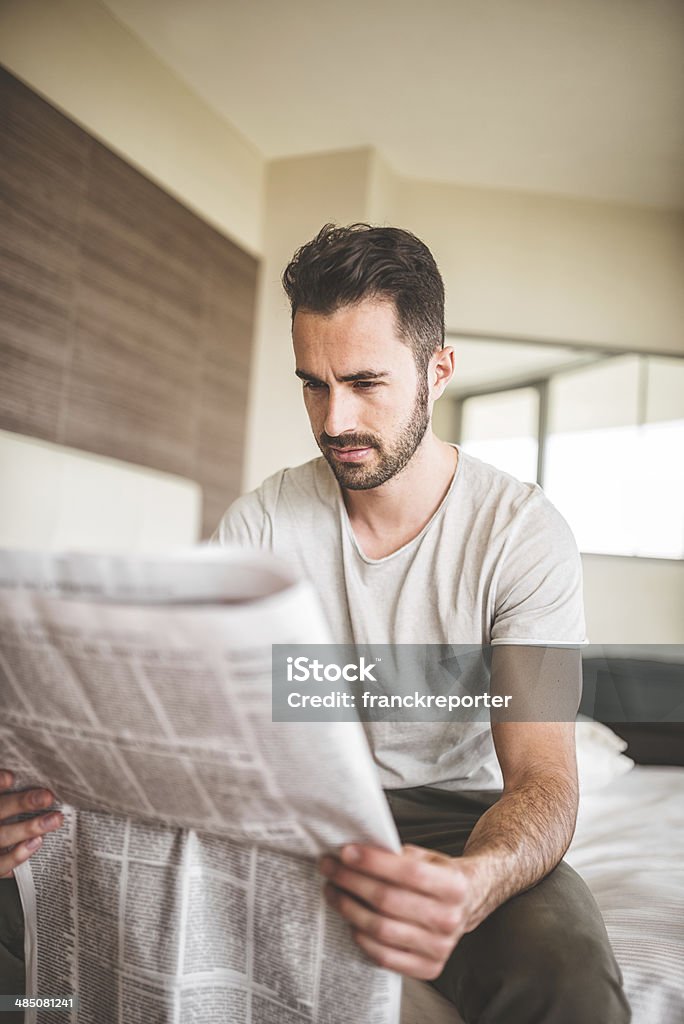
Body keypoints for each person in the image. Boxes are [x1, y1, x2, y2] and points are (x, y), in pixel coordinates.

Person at [0, 222, 630, 1023]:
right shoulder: (263, 521)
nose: (334, 420)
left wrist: (473, 886)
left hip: (454, 821)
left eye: (366, 383)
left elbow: (544, 779)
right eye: (313, 383)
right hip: (286, 815)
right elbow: (190, 728)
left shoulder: (521, 534)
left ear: (437, 371)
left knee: (566, 984)